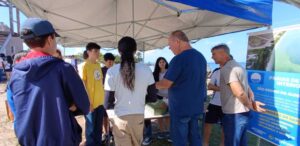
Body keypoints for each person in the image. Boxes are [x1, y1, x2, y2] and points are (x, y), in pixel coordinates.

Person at [9, 18, 90, 146]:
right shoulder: (63, 69)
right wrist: (71, 106)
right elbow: (85, 105)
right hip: (61, 139)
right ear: (50, 39)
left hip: (29, 141)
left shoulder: (16, 73)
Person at [156, 30, 207, 146]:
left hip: (181, 108)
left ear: (177, 41)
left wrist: (151, 85)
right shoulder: (201, 57)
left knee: (180, 140)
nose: (169, 48)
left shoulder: (178, 59)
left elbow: (166, 84)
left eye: (170, 45)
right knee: (195, 138)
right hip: (196, 106)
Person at [104, 36, 157, 146]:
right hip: (139, 116)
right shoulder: (146, 69)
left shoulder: (111, 71)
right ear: (135, 50)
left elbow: (107, 102)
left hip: (120, 118)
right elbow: (153, 97)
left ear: (119, 51)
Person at [211, 44, 266, 146]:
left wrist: (251, 105)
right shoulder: (238, 66)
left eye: (214, 54)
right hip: (243, 113)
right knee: (241, 142)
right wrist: (251, 103)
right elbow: (247, 87)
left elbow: (239, 92)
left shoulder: (228, 68)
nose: (212, 57)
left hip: (234, 114)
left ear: (223, 54)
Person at [78, 42, 105, 146]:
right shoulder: (84, 66)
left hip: (100, 102)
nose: (97, 53)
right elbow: (83, 85)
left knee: (98, 128)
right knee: (90, 130)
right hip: (90, 104)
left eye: (98, 51)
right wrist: (89, 103)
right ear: (88, 52)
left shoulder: (98, 65)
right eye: (95, 51)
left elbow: (100, 83)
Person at [143, 57, 170, 145]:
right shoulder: (154, 73)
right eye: (160, 62)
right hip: (159, 96)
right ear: (157, 64)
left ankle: (169, 133)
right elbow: (152, 86)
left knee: (168, 116)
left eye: (163, 62)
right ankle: (162, 132)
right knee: (160, 116)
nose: (162, 63)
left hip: (170, 97)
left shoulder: (170, 72)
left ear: (166, 63)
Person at [203, 67, 224, 146]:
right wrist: (224, 89)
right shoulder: (217, 72)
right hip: (214, 103)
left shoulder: (235, 72)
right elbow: (210, 86)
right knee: (207, 124)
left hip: (227, 105)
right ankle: (205, 143)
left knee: (225, 127)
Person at [101, 52, 115, 142]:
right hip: (104, 97)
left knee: (113, 116)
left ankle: (113, 132)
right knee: (105, 116)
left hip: (115, 97)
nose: (110, 62)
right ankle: (106, 133)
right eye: (108, 61)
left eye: (112, 61)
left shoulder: (116, 70)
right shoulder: (101, 70)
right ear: (105, 61)